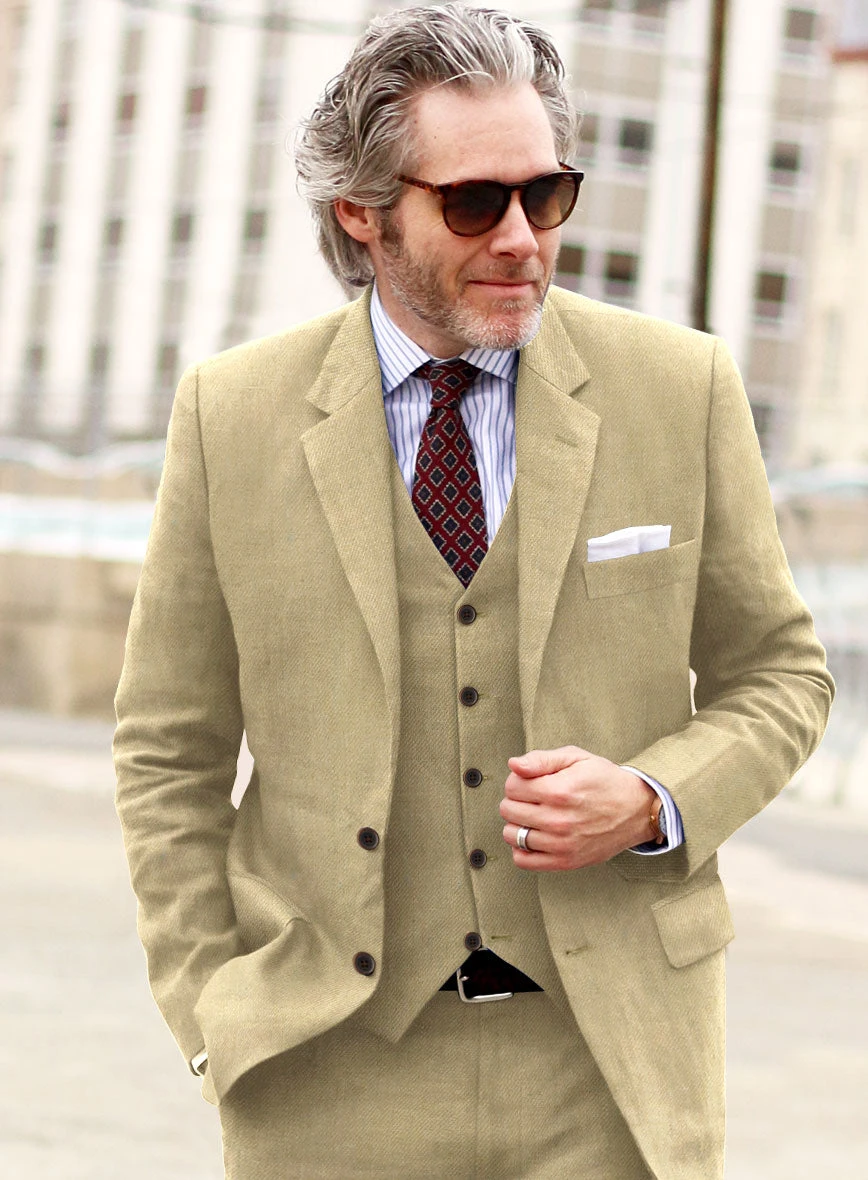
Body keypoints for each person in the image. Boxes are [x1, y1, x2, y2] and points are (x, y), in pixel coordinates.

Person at [113, 5, 833, 1178]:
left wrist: (651, 797)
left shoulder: (680, 386)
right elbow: (166, 747)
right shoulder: (230, 415)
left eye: (544, 196)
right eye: (472, 203)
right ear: (364, 213)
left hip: (606, 1064)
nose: (520, 239)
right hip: (327, 1068)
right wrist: (208, 1010)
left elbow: (782, 674)